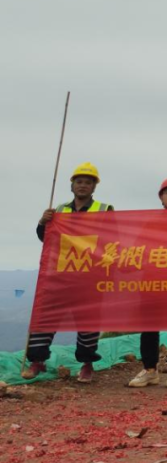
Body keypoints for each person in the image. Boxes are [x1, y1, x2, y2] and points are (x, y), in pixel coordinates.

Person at [24, 162, 114, 384]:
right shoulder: (59, 211)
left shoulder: (104, 210)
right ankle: (37, 361)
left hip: (89, 277)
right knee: (45, 318)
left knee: (88, 323)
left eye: (88, 182)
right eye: (79, 181)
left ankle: (87, 364)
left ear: (94, 187)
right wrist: (42, 222)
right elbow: (46, 239)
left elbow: (113, 240)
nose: (83, 185)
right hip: (60, 276)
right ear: (72, 185)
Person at [128, 176, 167, 389]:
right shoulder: (151, 222)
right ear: (161, 197)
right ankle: (150, 370)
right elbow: (138, 249)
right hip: (152, 282)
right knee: (149, 326)